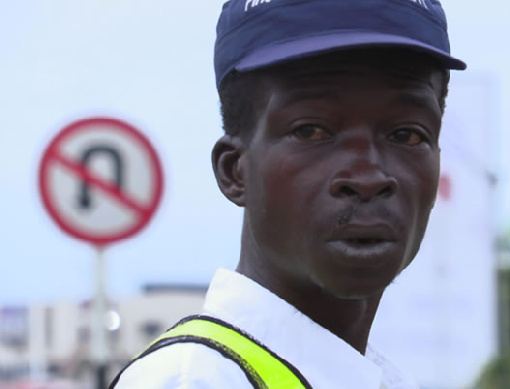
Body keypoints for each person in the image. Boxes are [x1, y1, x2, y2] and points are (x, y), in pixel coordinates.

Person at [111, 0, 465, 387]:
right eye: (312, 131)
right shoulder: (191, 381)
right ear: (235, 170)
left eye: (407, 134)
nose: (367, 176)